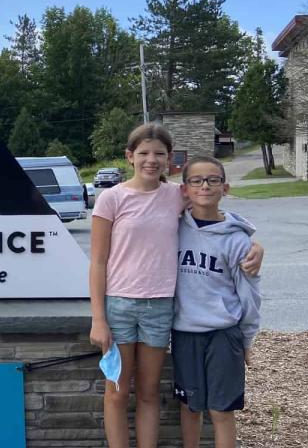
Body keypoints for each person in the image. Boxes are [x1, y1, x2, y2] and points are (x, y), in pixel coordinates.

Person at [88, 123, 263, 448]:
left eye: (159, 154)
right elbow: (98, 262)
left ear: (170, 160)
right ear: (130, 156)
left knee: (149, 392)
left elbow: (212, 206)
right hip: (120, 306)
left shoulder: (175, 196)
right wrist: (98, 318)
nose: (151, 160)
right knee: (117, 391)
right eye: (143, 153)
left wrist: (253, 243)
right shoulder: (111, 199)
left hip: (160, 307)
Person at [173, 156, 261, 448]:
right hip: (185, 332)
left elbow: (249, 294)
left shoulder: (238, 241)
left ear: (225, 187)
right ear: (184, 189)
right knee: (190, 407)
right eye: (196, 180)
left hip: (224, 333)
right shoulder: (173, 228)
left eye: (212, 180)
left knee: (221, 410)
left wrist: (246, 339)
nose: (204, 186)